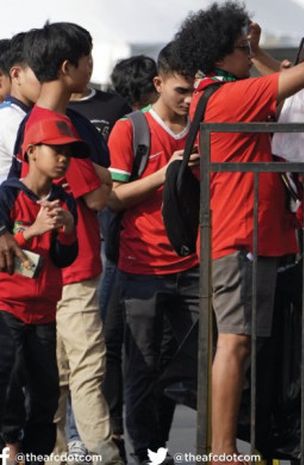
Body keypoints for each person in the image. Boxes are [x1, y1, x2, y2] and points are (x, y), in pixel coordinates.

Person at [172, 2, 304, 461]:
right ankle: (223, 448)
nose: (248, 56)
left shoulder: (221, 91)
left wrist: (253, 47)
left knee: (240, 341)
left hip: (249, 234)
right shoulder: (231, 95)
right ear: (220, 54)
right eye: (241, 49)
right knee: (235, 341)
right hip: (239, 236)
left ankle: (226, 444)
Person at [17, 22, 120, 465]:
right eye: (87, 58)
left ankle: (56, 454)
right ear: (67, 66)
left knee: (57, 374)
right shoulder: (57, 128)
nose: (91, 67)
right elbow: (99, 195)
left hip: (49, 269)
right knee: (87, 370)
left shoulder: (35, 122)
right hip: (73, 267)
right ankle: (102, 454)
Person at [106, 42, 197, 465]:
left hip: (195, 266)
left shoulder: (205, 127)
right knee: (140, 367)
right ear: (158, 83)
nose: (189, 99)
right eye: (181, 90)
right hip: (141, 268)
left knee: (187, 366)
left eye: (196, 91)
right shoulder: (131, 128)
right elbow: (113, 197)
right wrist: (166, 173)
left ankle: (161, 448)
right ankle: (143, 451)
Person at [0, 110, 82, 460]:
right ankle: (9, 448)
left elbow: (66, 257)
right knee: (7, 386)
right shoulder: (6, 195)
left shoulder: (65, 201)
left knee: (46, 391)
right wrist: (31, 230)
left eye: (68, 152)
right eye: (56, 150)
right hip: (7, 308)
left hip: (45, 310)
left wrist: (67, 231)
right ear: (31, 151)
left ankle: (35, 452)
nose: (64, 159)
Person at [0, 32, 41, 182]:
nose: (47, 78)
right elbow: (43, 163)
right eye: (40, 72)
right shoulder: (12, 118)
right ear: (16, 74)